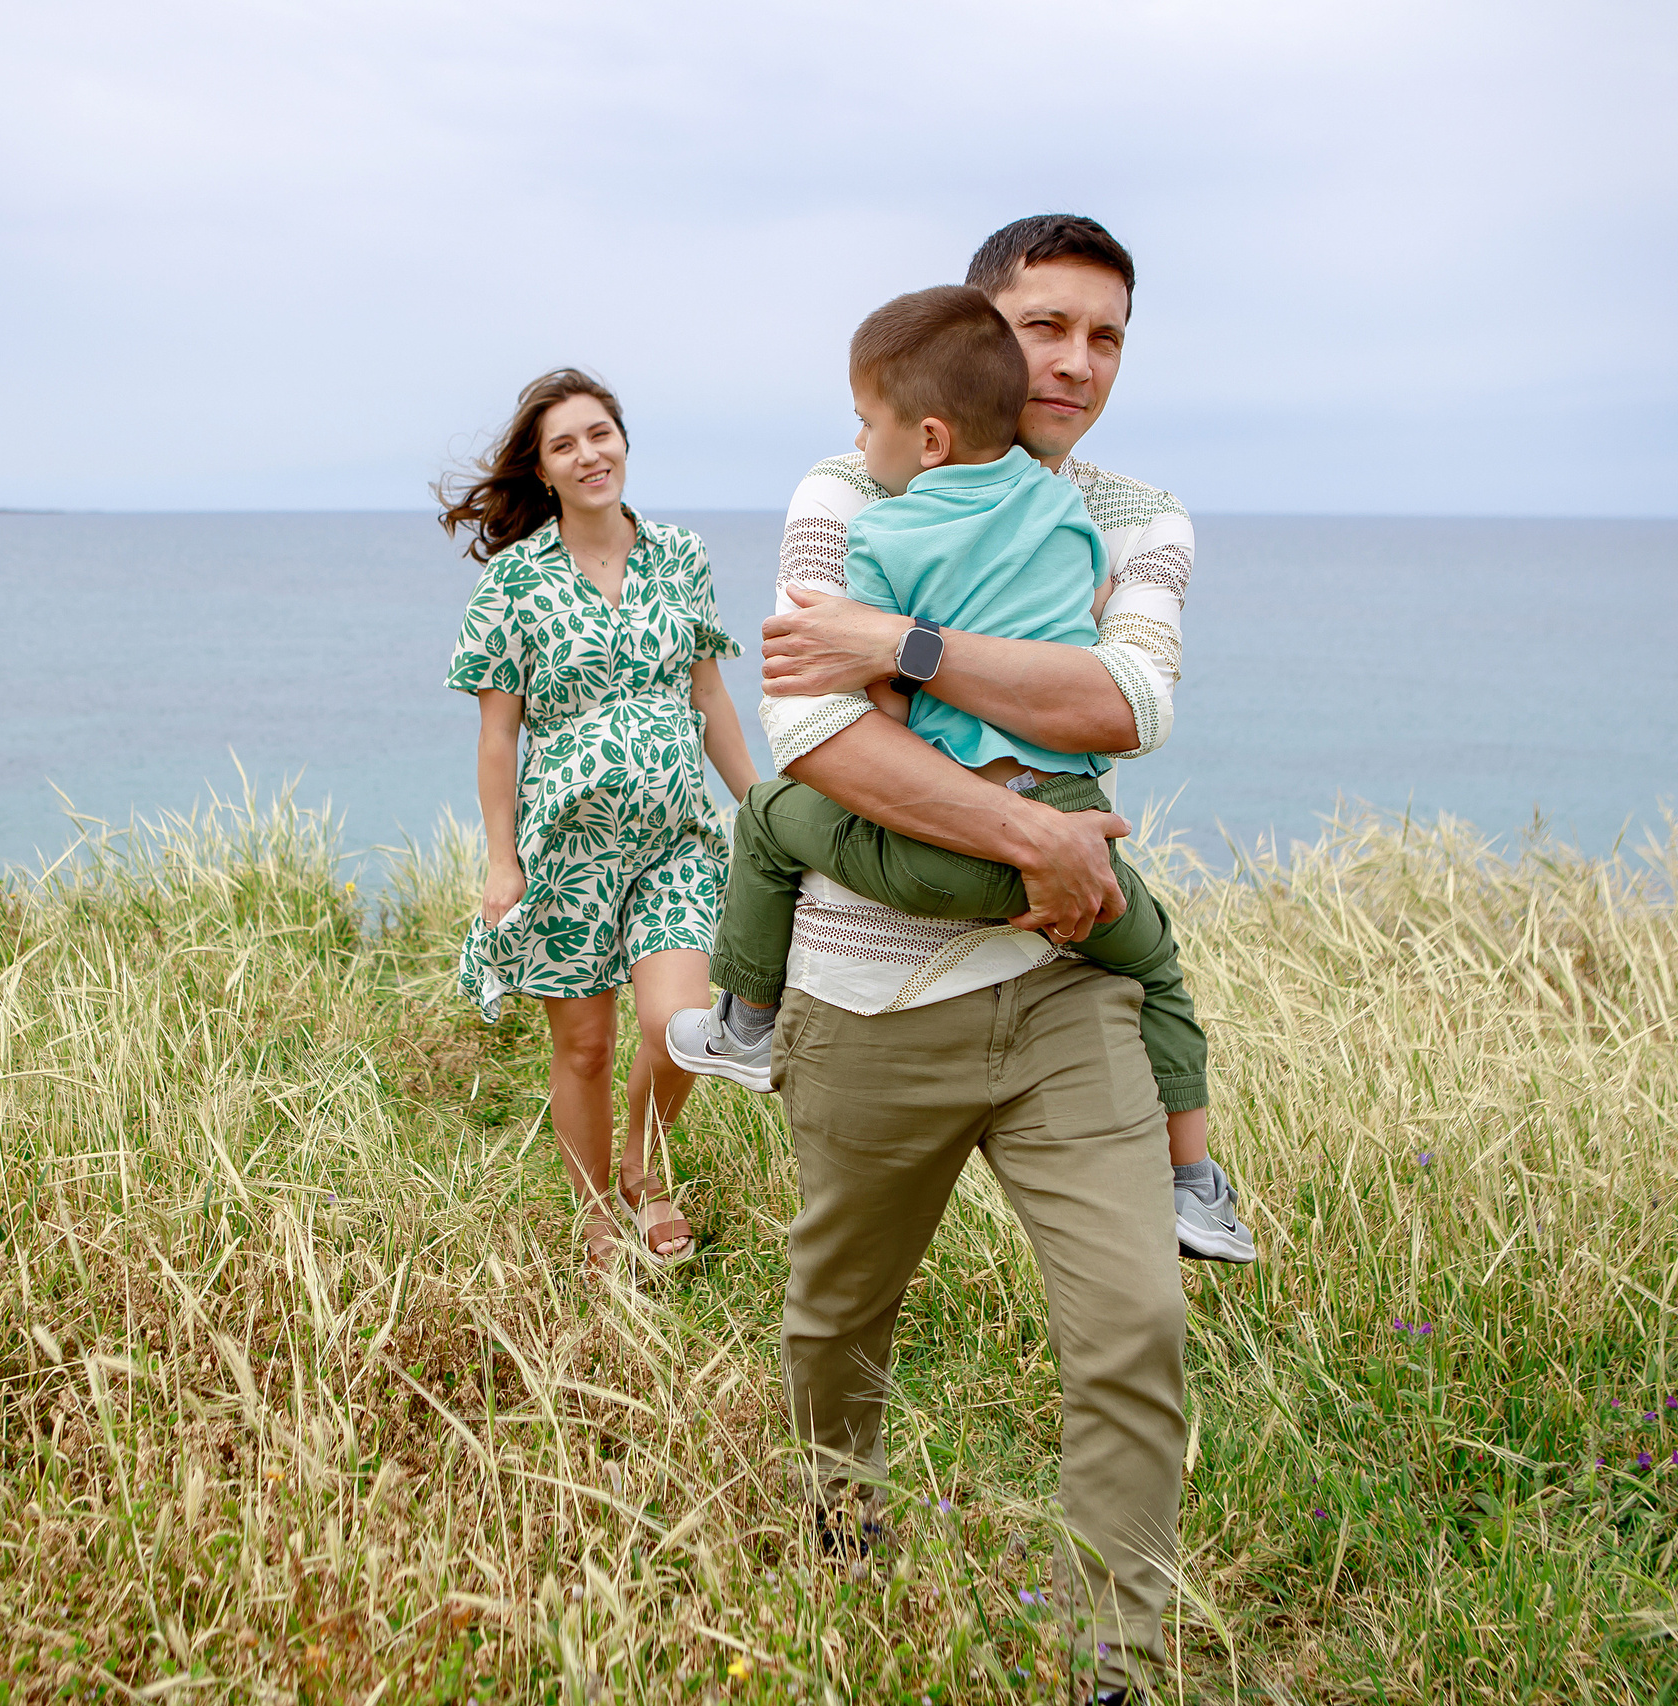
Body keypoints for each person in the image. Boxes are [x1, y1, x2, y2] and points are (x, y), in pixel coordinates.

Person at [742, 216, 1198, 1701]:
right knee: (836, 1317)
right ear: (978, 336)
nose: (1073, 361)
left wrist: (908, 646)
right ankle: (837, 1532)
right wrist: (1038, 836)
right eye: (1044, 325)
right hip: (869, 996)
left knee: (1133, 1325)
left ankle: (1113, 1666)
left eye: (1106, 334)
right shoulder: (851, 478)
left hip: (1065, 995)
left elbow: (1124, 703)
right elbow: (813, 732)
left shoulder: (1142, 516)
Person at [665, 284, 1253, 1265]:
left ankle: (746, 1020)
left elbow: (857, 710)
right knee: (1156, 968)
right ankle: (1195, 1184)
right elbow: (1101, 654)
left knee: (767, 814)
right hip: (1071, 825)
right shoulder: (1070, 513)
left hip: (941, 845)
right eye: (1046, 331)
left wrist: (897, 666)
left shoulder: (883, 533)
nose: (859, 446)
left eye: (868, 424)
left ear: (928, 438)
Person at [439, 368, 761, 1276]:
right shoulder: (513, 582)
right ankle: (593, 1212)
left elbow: (710, 695)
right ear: (542, 471)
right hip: (566, 847)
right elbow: (497, 736)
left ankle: (643, 1170)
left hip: (675, 841)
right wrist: (502, 863)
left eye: (600, 433)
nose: (589, 454)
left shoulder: (680, 557)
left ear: (624, 440)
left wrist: (761, 806)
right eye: (565, 444)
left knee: (683, 1023)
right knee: (584, 1046)